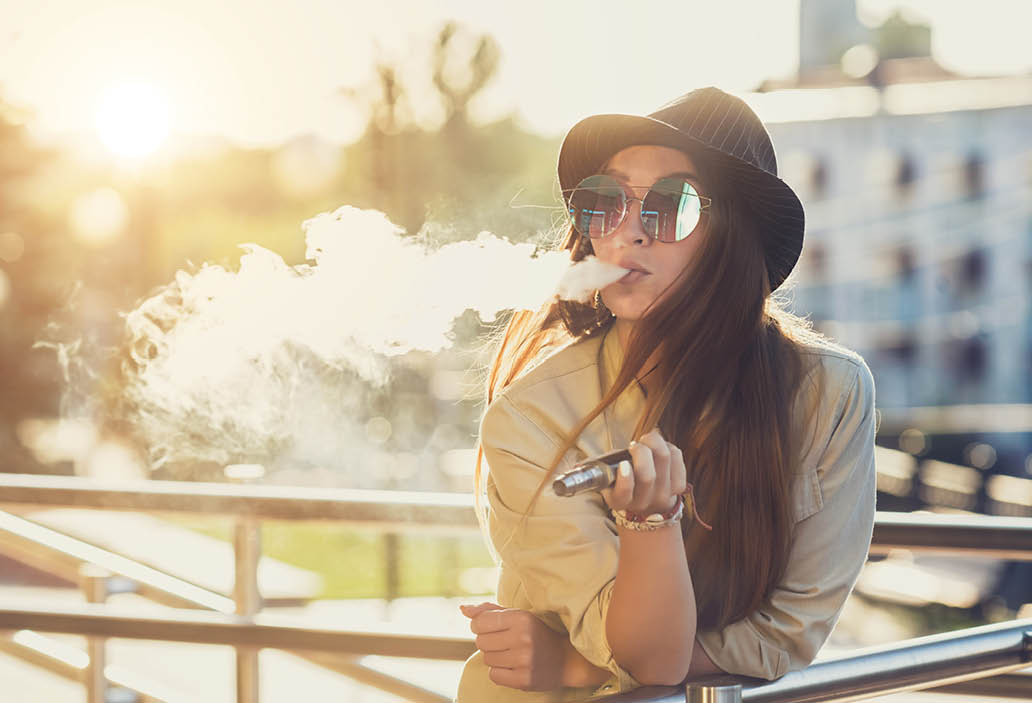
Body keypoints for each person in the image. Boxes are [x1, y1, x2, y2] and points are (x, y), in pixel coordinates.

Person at [455, 86, 877, 702]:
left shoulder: (829, 394)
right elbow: (650, 658)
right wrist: (649, 524)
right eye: (605, 203)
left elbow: (787, 635)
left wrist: (578, 667)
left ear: (733, 232)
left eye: (670, 205)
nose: (628, 233)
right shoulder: (530, 413)